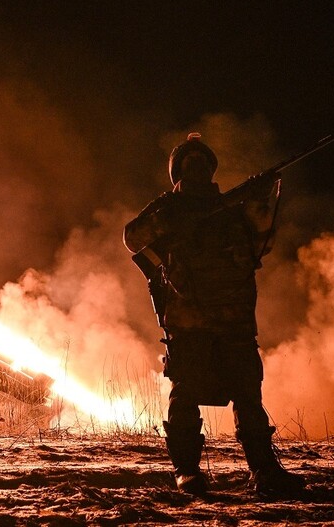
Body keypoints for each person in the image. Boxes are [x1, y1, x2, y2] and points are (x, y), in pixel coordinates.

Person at [123, 133, 305, 497]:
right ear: (177, 173)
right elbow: (133, 237)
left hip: (234, 319)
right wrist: (175, 219)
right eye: (189, 162)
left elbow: (262, 243)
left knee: (248, 395)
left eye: (203, 161)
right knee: (186, 395)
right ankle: (187, 472)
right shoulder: (168, 209)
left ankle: (263, 470)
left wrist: (259, 197)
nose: (198, 167)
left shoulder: (233, 210)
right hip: (189, 320)